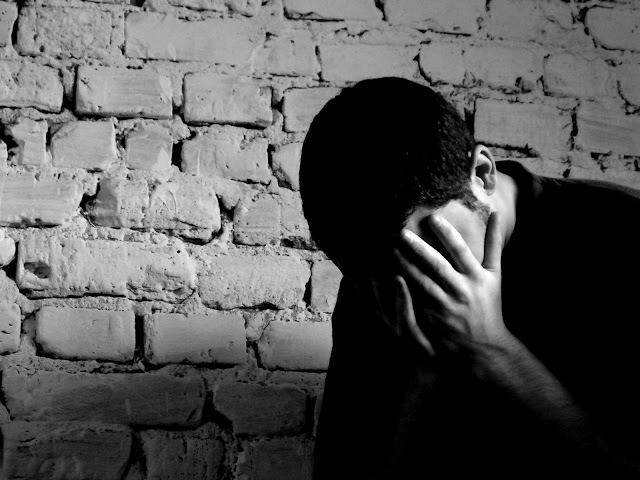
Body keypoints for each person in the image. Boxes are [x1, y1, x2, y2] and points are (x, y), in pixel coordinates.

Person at [299, 77, 640, 479]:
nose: (416, 287)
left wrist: (492, 348)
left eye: (427, 255)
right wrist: (418, 378)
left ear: (481, 173)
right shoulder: (377, 284)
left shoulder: (621, 236)